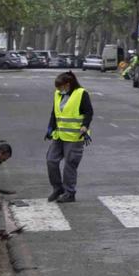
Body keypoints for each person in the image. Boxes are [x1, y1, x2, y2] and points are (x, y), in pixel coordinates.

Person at [46, 69, 93, 203]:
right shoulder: (57, 94)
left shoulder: (81, 93)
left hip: (75, 137)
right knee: (51, 160)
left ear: (68, 84)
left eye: (60, 87)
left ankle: (69, 193)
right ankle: (58, 188)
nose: (58, 89)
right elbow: (54, 113)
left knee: (69, 165)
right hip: (59, 135)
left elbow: (89, 112)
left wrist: (85, 125)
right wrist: (50, 128)